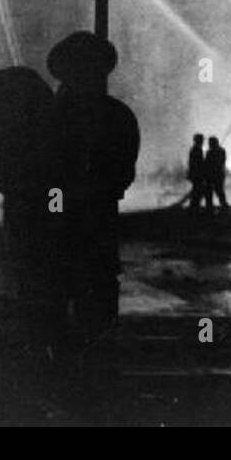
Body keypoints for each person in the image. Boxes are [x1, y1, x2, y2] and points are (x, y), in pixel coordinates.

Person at [46, 31, 140, 350]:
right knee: (98, 308)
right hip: (99, 224)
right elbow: (123, 174)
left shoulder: (50, 116)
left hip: (58, 228)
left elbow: (40, 174)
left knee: (53, 309)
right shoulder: (118, 115)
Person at [0, 66, 64, 355]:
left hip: (30, 199)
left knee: (29, 265)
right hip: (38, 200)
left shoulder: (3, 140)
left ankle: (33, 339)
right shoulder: (45, 126)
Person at [205, 136, 229, 212]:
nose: (208, 144)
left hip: (213, 175)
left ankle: (210, 208)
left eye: (209, 143)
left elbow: (207, 164)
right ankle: (224, 206)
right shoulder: (222, 151)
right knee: (219, 192)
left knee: (210, 193)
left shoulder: (210, 152)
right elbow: (223, 161)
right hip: (220, 175)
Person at [187, 133, 207, 214]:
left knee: (197, 191)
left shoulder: (195, 149)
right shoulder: (197, 150)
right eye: (202, 140)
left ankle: (194, 207)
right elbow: (199, 163)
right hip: (197, 175)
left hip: (195, 174)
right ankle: (194, 208)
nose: (203, 141)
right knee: (198, 192)